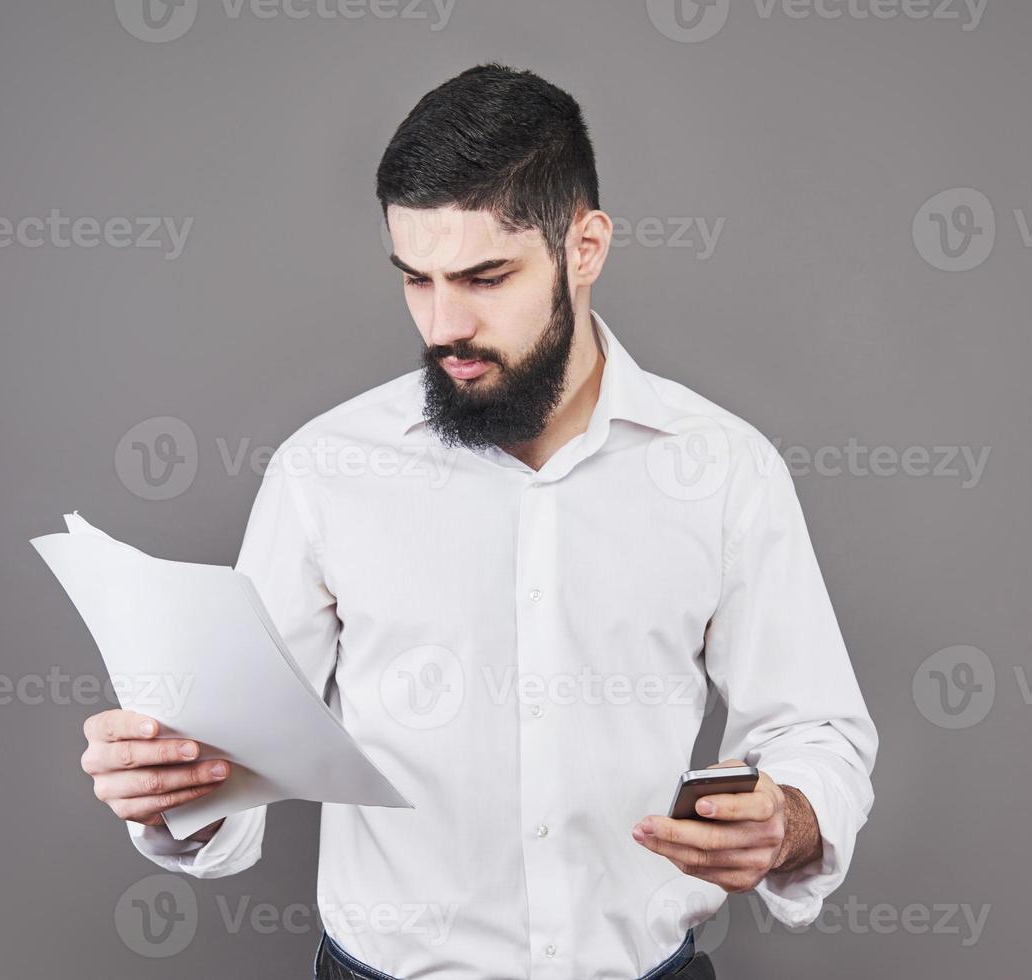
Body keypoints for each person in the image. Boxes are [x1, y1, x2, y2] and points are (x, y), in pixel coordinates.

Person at [78, 63, 878, 980]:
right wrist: (169, 792)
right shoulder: (323, 472)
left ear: (584, 248)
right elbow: (235, 773)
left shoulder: (725, 469)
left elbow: (818, 732)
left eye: (484, 276)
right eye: (414, 279)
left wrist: (788, 822)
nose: (443, 324)